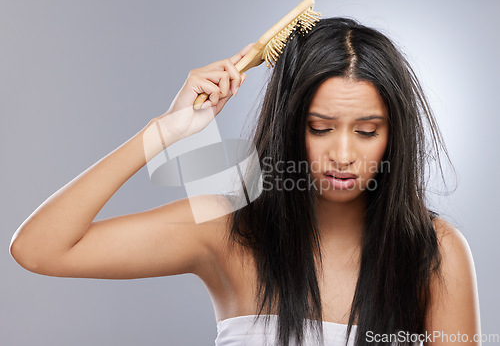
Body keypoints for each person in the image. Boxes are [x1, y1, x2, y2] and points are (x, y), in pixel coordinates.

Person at [10, 17, 480, 346]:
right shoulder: (227, 230)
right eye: (320, 128)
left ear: (394, 135)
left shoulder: (434, 252)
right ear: (289, 127)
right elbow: (40, 248)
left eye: (366, 131)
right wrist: (164, 132)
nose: (342, 154)